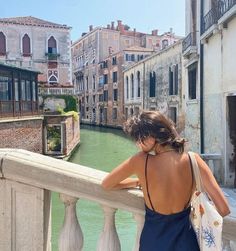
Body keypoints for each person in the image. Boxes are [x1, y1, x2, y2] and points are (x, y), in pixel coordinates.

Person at [102, 110, 230, 251]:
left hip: (153, 243)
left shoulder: (141, 161)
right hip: (186, 244)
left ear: (152, 137)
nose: (138, 144)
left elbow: (107, 184)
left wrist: (137, 182)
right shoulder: (194, 160)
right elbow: (223, 209)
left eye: (140, 138)